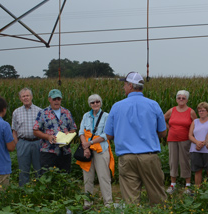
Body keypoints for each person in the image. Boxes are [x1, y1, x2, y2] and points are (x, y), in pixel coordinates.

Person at [104, 71, 167, 205]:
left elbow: (108, 135)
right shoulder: (153, 105)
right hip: (149, 156)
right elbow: (163, 133)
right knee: (157, 195)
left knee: (130, 199)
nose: (123, 87)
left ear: (130, 86)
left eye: (125, 84)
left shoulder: (117, 106)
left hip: (127, 157)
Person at [76, 93, 113, 207]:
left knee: (104, 177)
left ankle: (108, 203)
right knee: (87, 178)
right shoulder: (86, 116)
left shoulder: (106, 116)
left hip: (101, 150)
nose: (95, 104)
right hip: (87, 150)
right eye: (93, 102)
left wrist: (90, 143)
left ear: (101, 103)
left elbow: (106, 135)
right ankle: (87, 203)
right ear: (89, 104)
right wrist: (85, 147)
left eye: (97, 101)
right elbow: (81, 132)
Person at [34, 89, 77, 174]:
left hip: (65, 152)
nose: (56, 101)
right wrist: (48, 137)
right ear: (49, 99)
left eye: (58, 99)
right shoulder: (43, 113)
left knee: (64, 178)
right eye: (54, 99)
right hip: (48, 151)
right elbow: (35, 130)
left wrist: (69, 134)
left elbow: (73, 128)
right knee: (47, 177)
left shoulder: (67, 112)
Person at [164, 90, 196, 194]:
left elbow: (196, 124)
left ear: (187, 100)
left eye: (183, 98)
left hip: (185, 140)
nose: (181, 100)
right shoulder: (172, 110)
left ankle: (187, 186)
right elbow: (162, 119)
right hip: (172, 139)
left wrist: (192, 135)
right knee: (173, 161)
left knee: (185, 161)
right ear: (176, 99)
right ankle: (173, 185)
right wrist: (169, 128)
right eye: (179, 98)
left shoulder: (190, 111)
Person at [10, 87, 41, 186]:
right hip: (23, 143)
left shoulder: (40, 111)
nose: (25, 98)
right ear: (20, 98)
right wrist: (17, 144)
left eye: (27, 95)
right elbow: (14, 130)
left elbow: (43, 129)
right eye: (23, 96)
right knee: (23, 171)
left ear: (31, 97)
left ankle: (41, 191)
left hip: (38, 142)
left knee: (39, 169)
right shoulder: (16, 112)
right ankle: (23, 193)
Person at [188, 102, 208, 186]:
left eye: (203, 110)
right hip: (195, 149)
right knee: (197, 171)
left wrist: (204, 143)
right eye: (199, 111)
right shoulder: (195, 122)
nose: (201, 112)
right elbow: (190, 135)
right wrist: (197, 142)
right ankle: (197, 189)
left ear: (207, 111)